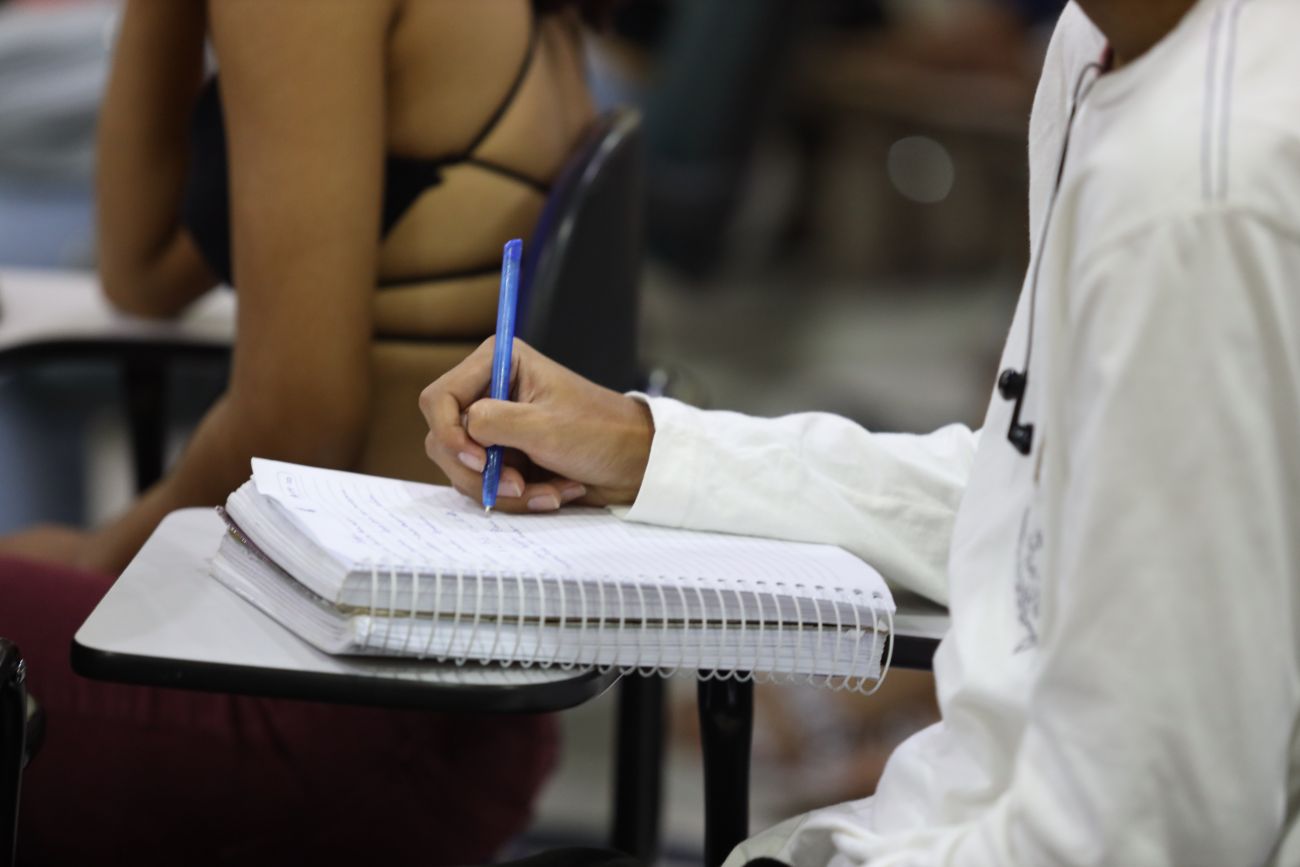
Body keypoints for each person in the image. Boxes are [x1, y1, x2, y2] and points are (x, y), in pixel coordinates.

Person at [421, 0, 1300, 863]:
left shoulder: (1202, 186)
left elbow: (1148, 830)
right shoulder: (1098, 47)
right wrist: (646, 445)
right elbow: (1036, 493)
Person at [0, 1, 610, 862]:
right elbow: (142, 272)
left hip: (330, 708)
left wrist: (97, 557)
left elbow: (298, 421)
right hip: (457, 704)